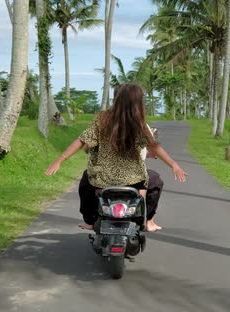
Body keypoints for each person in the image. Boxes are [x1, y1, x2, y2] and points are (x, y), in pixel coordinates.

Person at [45, 83, 187, 231]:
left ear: (117, 99)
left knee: (86, 181)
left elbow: (82, 140)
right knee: (156, 181)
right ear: (138, 102)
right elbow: (154, 147)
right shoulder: (139, 123)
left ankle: (91, 221)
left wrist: (59, 160)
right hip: (135, 181)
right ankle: (148, 220)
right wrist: (174, 165)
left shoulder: (102, 119)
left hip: (103, 180)